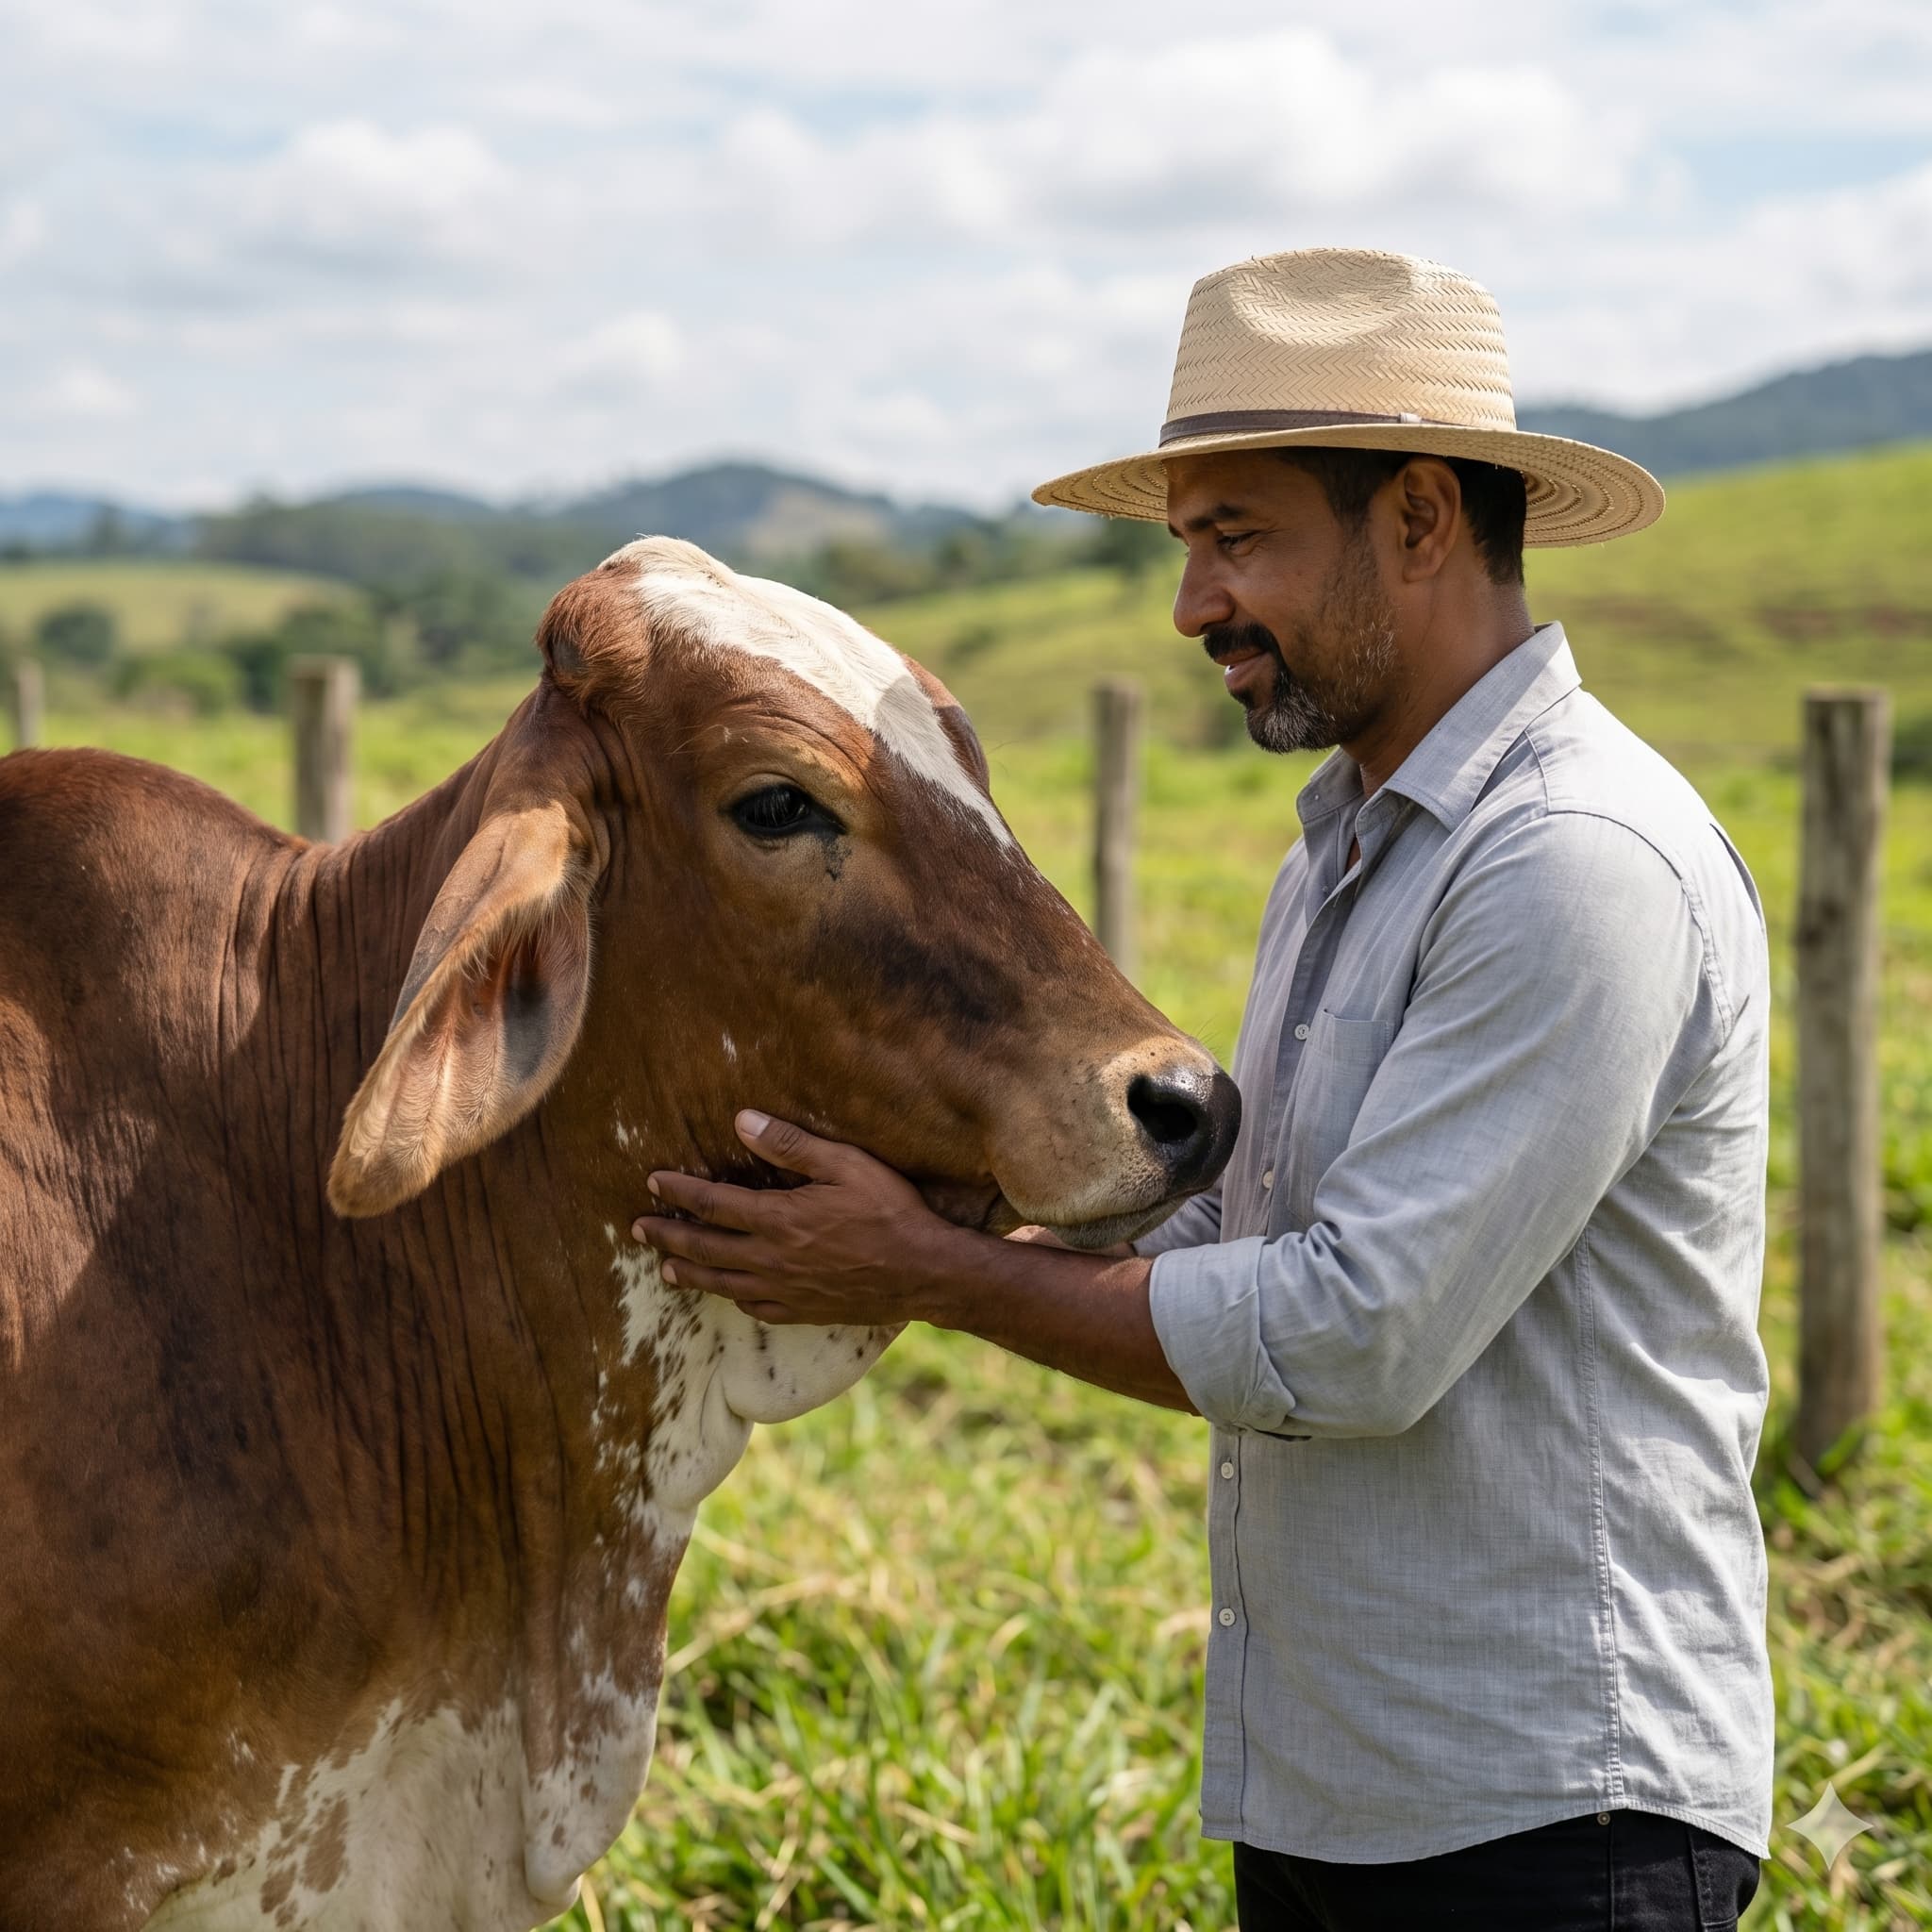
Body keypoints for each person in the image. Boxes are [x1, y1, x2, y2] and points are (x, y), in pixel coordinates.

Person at [634, 248, 1774, 1930]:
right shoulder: (1346, 858)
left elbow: (1351, 1336)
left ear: (1419, 519)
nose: (1192, 605)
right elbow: (1236, 1236)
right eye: (1187, 546)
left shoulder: (1573, 861)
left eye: (1237, 539)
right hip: (1344, 1786)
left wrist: (925, 1268)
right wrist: (933, 1186)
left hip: (1551, 1815)